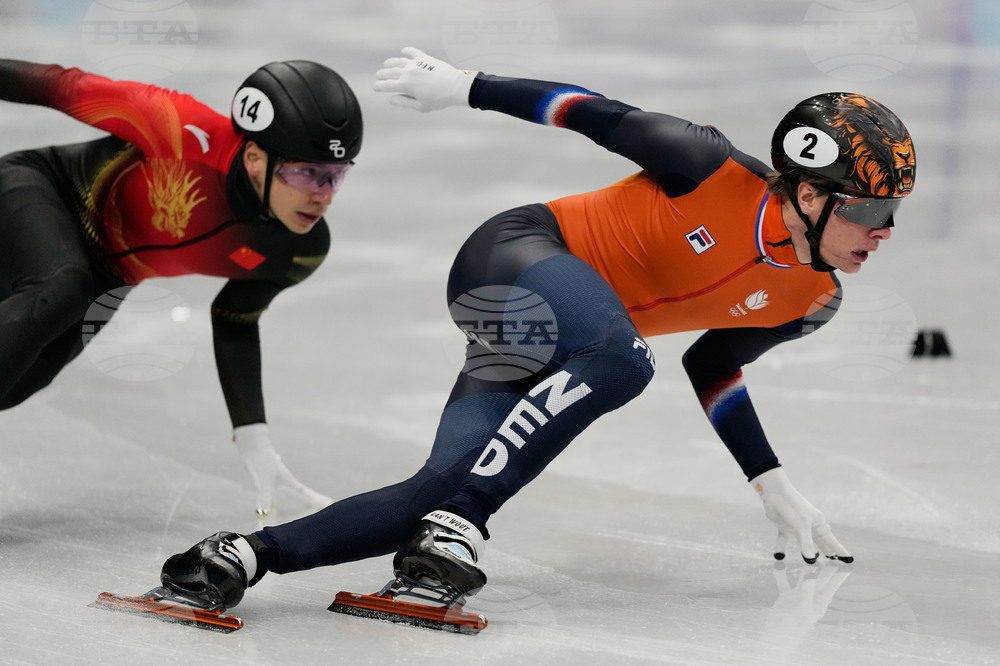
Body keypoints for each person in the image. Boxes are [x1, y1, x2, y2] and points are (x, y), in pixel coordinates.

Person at [157, 47, 916, 613]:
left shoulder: (813, 298)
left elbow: (714, 365)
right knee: (624, 357)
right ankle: (464, 522)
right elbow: (590, 111)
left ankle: (239, 557)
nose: (884, 231)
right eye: (872, 210)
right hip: (513, 256)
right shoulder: (707, 166)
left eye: (894, 214)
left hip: (563, 343)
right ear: (810, 195)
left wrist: (769, 479)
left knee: (434, 490)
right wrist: (464, 86)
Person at [0, 58, 364, 516]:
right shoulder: (178, 127)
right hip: (41, 189)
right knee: (63, 289)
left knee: (16, 382)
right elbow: (61, 87)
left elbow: (234, 321)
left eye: (336, 174)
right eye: (306, 173)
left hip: (110, 276)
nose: (323, 194)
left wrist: (253, 438)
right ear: (255, 158)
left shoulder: (297, 249)